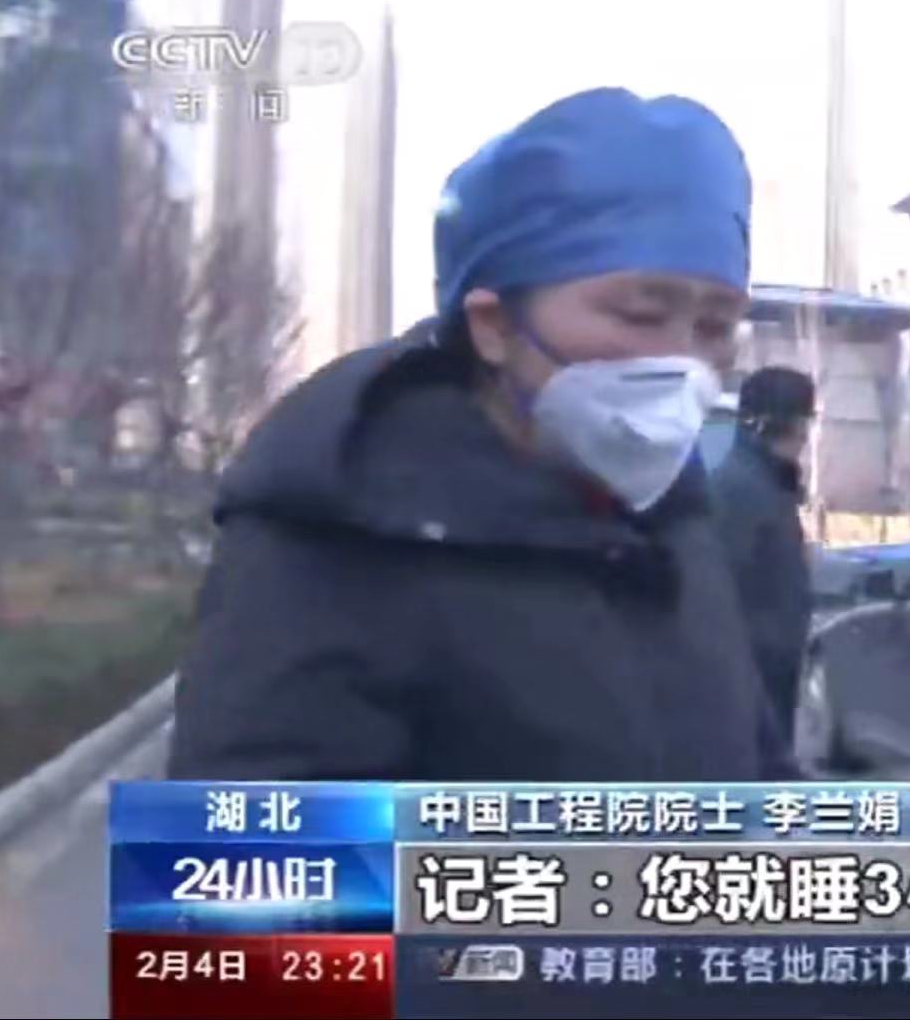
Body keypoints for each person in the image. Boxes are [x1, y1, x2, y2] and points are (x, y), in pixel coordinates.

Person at [169, 87, 770, 782]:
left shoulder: (678, 528)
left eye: (715, 327)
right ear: (494, 325)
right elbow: (247, 840)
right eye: (640, 315)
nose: (681, 361)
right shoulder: (336, 537)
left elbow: (754, 782)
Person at [710, 365, 816, 776]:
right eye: (805, 422)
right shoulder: (741, 488)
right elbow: (720, 592)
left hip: (768, 670)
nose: (806, 436)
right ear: (788, 424)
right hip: (751, 678)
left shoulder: (767, 483)